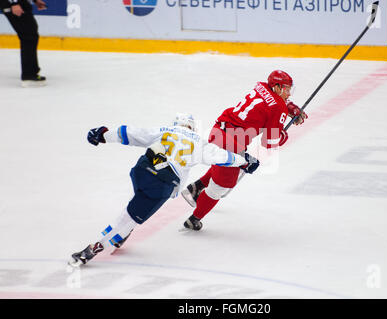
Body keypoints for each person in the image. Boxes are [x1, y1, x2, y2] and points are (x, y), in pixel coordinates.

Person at [68, 113, 260, 267]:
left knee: (137, 199)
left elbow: (134, 134)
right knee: (129, 217)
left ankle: (121, 233)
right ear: (192, 128)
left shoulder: (165, 130)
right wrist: (245, 161)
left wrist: (104, 134)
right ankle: (96, 246)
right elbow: (222, 157)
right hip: (163, 183)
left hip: (141, 171)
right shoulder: (199, 143)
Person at [181, 70, 308, 231]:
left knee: (222, 166)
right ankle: (194, 219)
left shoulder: (261, 87)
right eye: (286, 89)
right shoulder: (279, 108)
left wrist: (287, 106)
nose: (289, 93)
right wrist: (282, 134)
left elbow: (268, 104)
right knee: (220, 187)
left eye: (290, 89)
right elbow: (269, 142)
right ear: (276, 87)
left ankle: (195, 188)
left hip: (219, 129)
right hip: (232, 144)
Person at [0, 0, 47, 87]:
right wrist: (14, 3)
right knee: (28, 36)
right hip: (14, 4)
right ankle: (29, 75)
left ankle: (32, 70)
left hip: (20, 3)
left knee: (31, 34)